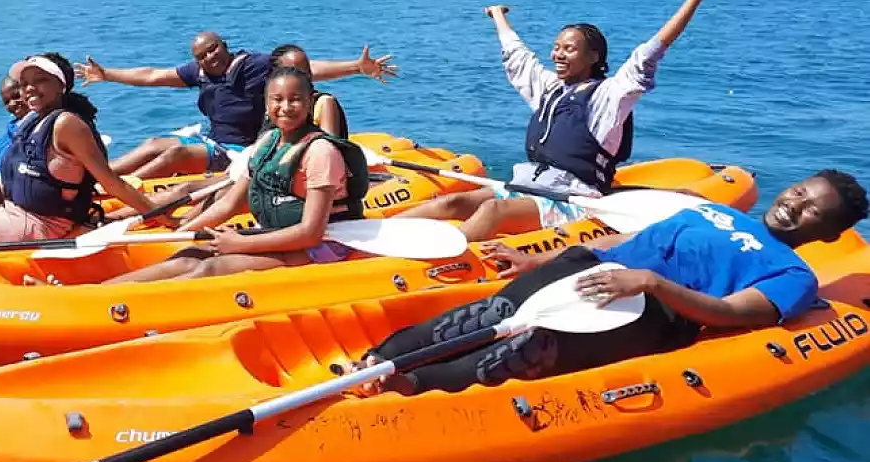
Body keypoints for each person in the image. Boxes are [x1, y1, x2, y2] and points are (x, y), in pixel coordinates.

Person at [349, 170, 867, 397]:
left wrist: (652, 283)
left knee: (528, 347)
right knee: (484, 316)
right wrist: (538, 258)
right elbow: (626, 238)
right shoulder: (714, 211)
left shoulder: (794, 275)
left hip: (647, 313)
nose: (795, 204)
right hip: (587, 267)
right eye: (800, 191)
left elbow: (732, 312)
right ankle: (376, 361)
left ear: (828, 233)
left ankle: (410, 386)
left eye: (813, 209)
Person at [398, 0, 750, 240]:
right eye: (556, 47)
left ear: (593, 57)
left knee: (491, 212)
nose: (558, 54)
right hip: (526, 188)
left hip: (572, 203)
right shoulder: (550, 89)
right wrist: (499, 16)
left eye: (569, 49)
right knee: (452, 202)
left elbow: (650, 52)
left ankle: (437, 260)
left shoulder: (609, 98)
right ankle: (368, 239)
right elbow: (517, 56)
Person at [101, 65, 371, 283]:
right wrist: (183, 231)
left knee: (210, 269)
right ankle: (101, 294)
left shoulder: (321, 152)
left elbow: (311, 233)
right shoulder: (267, 143)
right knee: (188, 255)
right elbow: (229, 203)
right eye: (277, 99)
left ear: (310, 102)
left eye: (295, 99)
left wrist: (239, 244)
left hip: (321, 245)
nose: (286, 107)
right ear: (266, 103)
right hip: (278, 232)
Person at [76, 33, 394, 180]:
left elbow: (301, 71)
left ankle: (121, 188)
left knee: (175, 154)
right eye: (202, 55)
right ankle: (96, 176)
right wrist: (107, 75)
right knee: (153, 144)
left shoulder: (254, 65)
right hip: (213, 142)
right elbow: (152, 75)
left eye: (213, 48)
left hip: (238, 150)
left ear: (224, 45)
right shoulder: (199, 73)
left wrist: (356, 67)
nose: (209, 56)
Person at [0, 53, 159, 244]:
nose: (29, 88)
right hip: (8, 211)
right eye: (24, 84)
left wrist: (161, 215)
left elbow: (112, 183)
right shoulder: (29, 124)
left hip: (42, 224)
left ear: (61, 86)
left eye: (40, 80)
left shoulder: (67, 124)